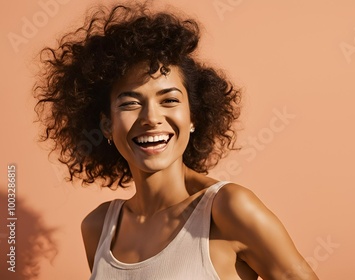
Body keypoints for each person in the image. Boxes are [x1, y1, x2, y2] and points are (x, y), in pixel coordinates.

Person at [34, 2, 318, 279]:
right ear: (106, 124)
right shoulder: (98, 228)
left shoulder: (228, 209)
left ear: (193, 116)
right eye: (130, 103)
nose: (151, 118)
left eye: (169, 100)